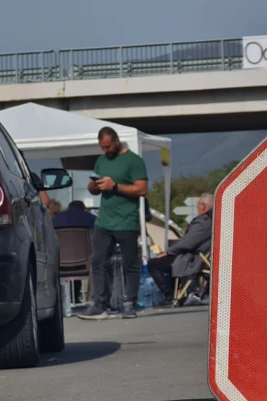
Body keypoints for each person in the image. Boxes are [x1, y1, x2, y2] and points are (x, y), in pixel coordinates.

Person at [78, 126, 148, 320]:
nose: (106, 151)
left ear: (117, 141)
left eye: (108, 146)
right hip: (104, 221)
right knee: (98, 260)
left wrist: (115, 186)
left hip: (126, 221)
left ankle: (129, 303)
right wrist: (94, 185)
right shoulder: (101, 161)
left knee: (130, 264)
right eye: (102, 147)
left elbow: (141, 190)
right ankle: (100, 303)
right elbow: (95, 190)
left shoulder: (134, 161)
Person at [147, 193, 213, 306]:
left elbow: (187, 243)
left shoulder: (203, 222)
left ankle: (169, 296)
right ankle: (177, 295)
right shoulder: (213, 220)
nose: (197, 207)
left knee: (153, 263)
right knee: (169, 262)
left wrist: (167, 252)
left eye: (198, 205)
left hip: (193, 259)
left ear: (203, 206)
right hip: (200, 256)